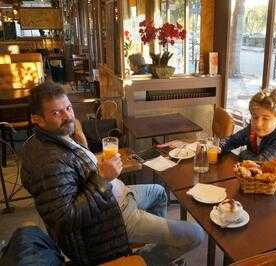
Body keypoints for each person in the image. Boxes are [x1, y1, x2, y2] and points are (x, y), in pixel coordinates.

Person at [21, 81, 204, 265]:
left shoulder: (54, 136)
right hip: (110, 218)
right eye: (56, 113)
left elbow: (75, 174)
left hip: (116, 195)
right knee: (196, 234)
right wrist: (103, 178)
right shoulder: (49, 162)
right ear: (37, 119)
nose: (67, 116)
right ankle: (143, 260)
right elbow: (65, 219)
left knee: (158, 192)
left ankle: (153, 246)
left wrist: (85, 147)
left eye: (68, 108)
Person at [220, 88, 276, 197]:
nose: (258, 123)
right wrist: (219, 148)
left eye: (266, 119)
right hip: (261, 186)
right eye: (255, 117)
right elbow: (232, 140)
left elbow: (260, 166)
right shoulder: (253, 128)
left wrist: (243, 154)